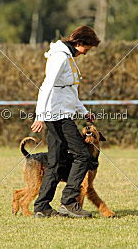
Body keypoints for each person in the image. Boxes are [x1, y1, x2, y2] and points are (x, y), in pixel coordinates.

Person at [31, 25, 100, 218]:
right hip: (58, 116)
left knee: (55, 162)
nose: (86, 53)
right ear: (79, 43)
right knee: (83, 156)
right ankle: (69, 202)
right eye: (87, 48)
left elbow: (69, 93)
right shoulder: (60, 57)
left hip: (62, 114)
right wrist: (40, 116)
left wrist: (84, 112)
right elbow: (46, 87)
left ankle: (42, 207)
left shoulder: (67, 57)